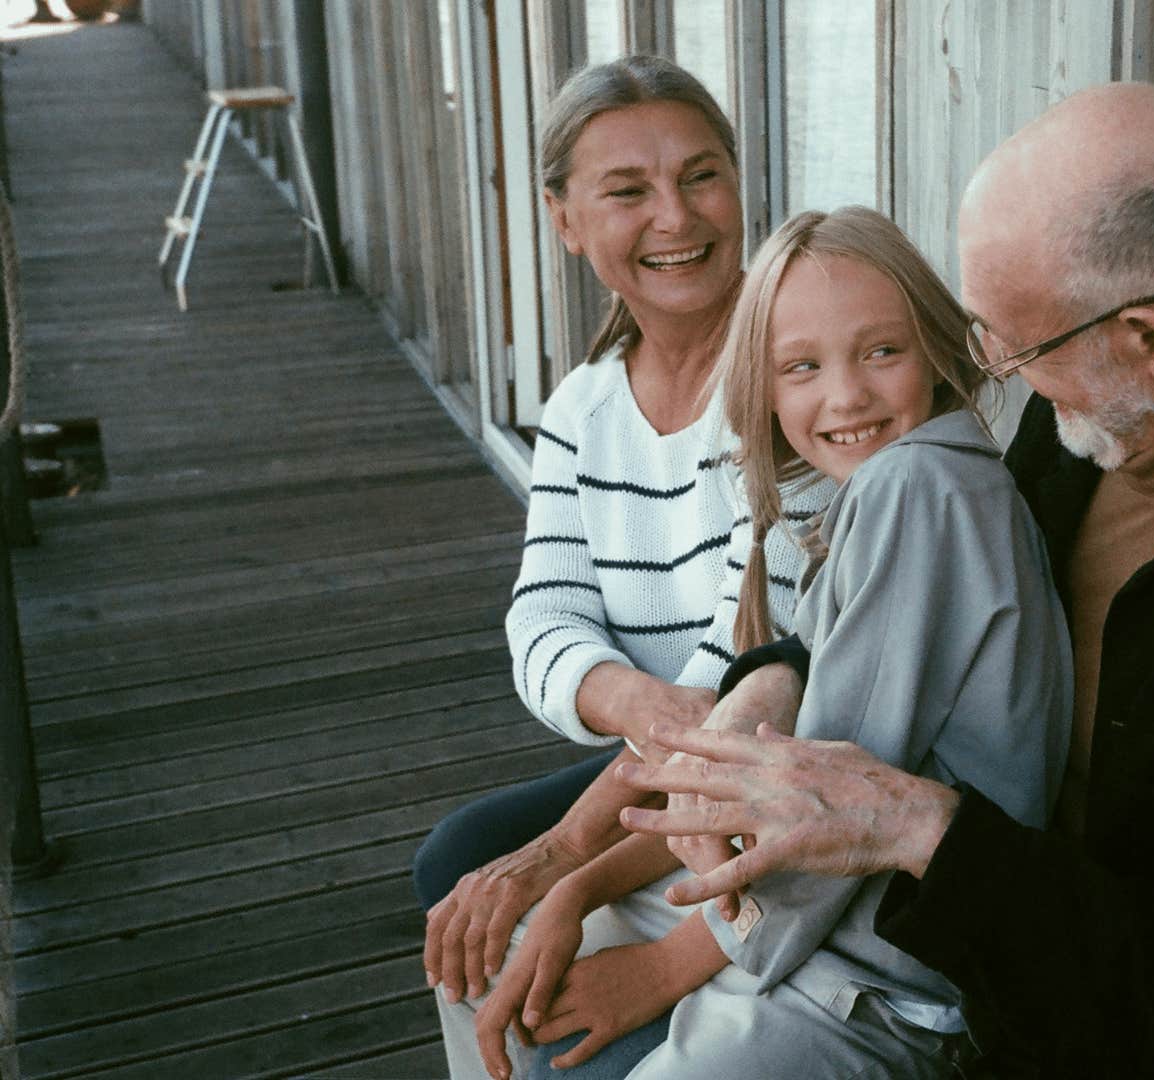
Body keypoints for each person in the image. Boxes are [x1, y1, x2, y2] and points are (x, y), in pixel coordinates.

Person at [618, 82, 1154, 1077]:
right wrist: (775, 675)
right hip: (936, 960)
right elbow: (931, 616)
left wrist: (926, 833)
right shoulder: (1095, 419)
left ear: (1150, 342)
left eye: (1014, 343)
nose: (990, 370)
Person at [441, 206, 1072, 1078]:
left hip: (872, 977)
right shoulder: (882, 489)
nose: (845, 395)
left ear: (937, 345)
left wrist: (656, 972)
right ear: (765, 391)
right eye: (802, 367)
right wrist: (577, 883)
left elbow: (822, 821)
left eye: (882, 351)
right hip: (795, 921)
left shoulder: (920, 490)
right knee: (494, 951)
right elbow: (753, 773)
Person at [412, 55, 818, 1074]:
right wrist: (634, 702)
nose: (676, 219)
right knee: (457, 861)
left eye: (701, 175)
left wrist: (562, 859)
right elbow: (543, 621)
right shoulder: (583, 406)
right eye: (627, 191)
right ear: (565, 220)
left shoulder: (802, 384)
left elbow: (737, 679)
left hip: (780, 761)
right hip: (667, 761)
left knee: (511, 883)